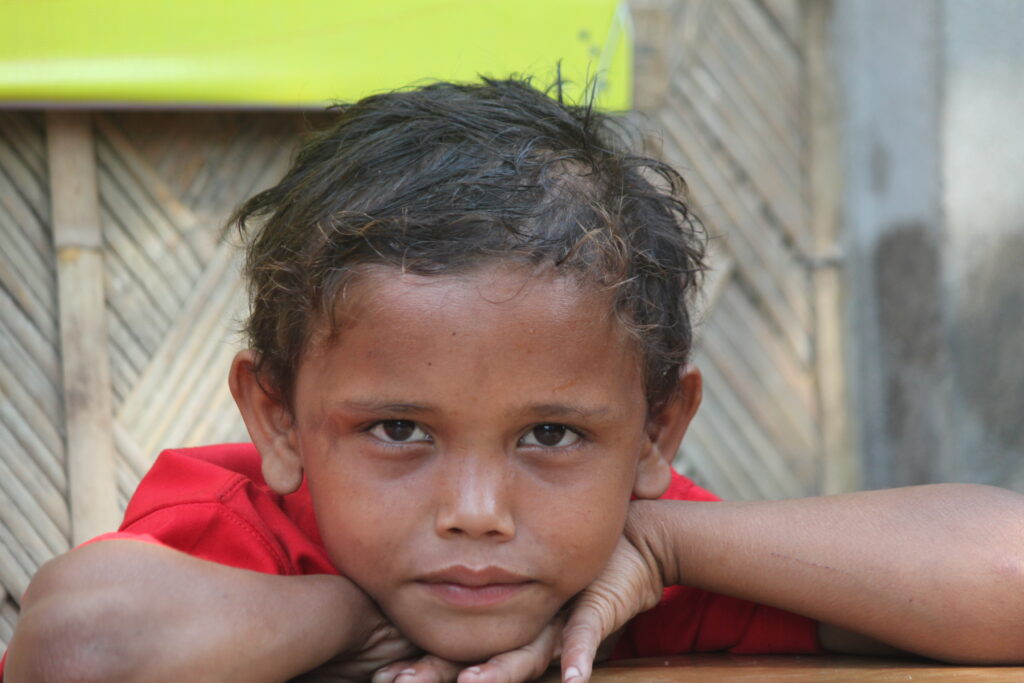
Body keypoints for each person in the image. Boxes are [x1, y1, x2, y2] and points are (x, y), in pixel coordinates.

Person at [5, 77, 1024, 683]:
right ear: (277, 418)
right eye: (399, 428)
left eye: (549, 434)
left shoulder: (626, 562)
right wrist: (360, 618)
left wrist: (665, 543)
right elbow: (80, 651)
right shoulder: (244, 533)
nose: (478, 512)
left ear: (656, 431)